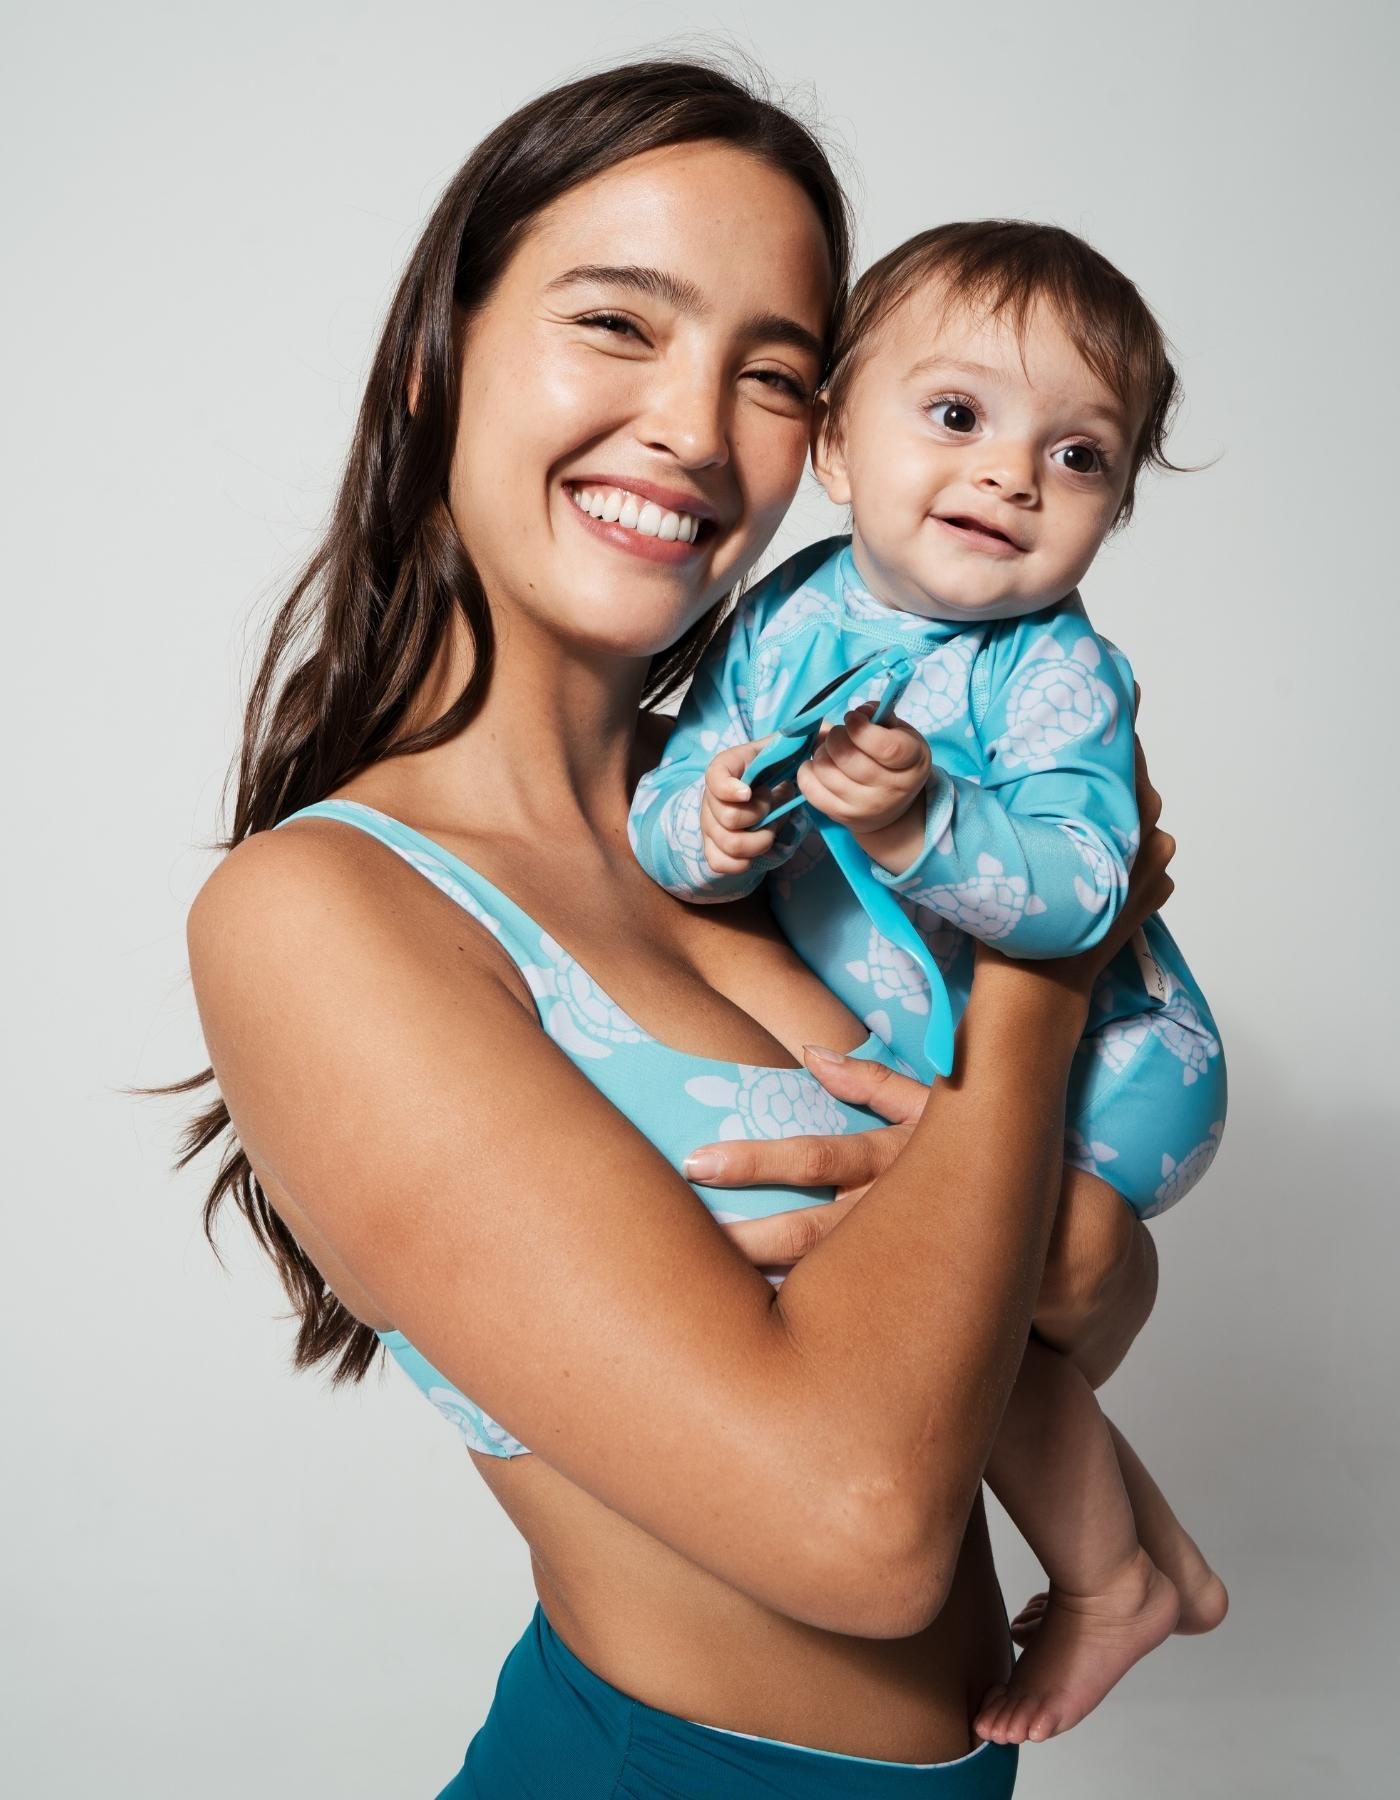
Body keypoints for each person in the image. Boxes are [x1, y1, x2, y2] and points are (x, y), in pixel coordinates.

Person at [182, 59, 1173, 1798]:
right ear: (441, 356)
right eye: (619, 325)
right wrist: (1038, 983)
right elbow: (867, 1520)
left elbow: (1087, 1284)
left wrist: (1021, 1249)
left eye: (772, 372)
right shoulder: (322, 912)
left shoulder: (774, 822)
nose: (696, 429)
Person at [627, 220, 1229, 1742]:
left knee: (942, 1302)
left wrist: (921, 822)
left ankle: (1106, 1584)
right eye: (958, 417)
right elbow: (690, 787)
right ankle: (1148, 1561)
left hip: (1117, 1065)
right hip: (942, 1050)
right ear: (836, 445)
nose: (1014, 475)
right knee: (957, 1311)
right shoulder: (786, 611)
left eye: (1079, 455)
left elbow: (1092, 889)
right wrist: (706, 826)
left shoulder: (1056, 672)